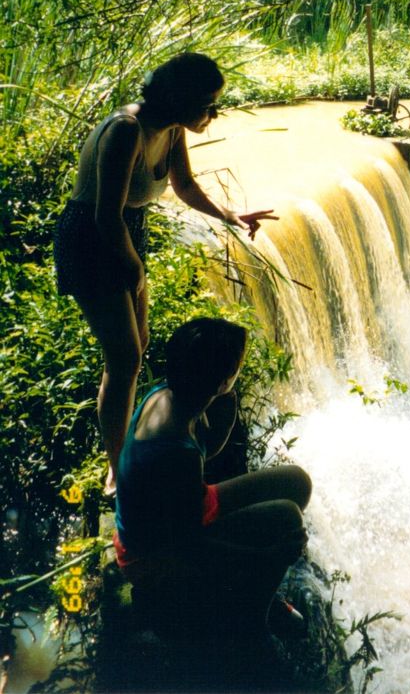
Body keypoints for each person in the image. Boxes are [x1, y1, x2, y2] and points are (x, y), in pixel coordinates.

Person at [53, 52, 276, 492]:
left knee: (138, 345)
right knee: (125, 358)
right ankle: (118, 469)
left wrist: (230, 214)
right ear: (179, 96)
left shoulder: (172, 128)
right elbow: (103, 216)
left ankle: (123, 447)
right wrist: (133, 268)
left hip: (125, 230)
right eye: (207, 104)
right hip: (90, 235)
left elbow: (185, 186)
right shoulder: (125, 131)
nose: (212, 114)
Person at [113, 317, 311, 674]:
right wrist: (266, 556)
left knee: (297, 482)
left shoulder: (169, 394)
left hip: (181, 514)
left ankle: (248, 590)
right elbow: (190, 546)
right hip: (153, 556)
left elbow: (211, 449)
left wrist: (226, 403)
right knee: (287, 518)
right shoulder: (176, 451)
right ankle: (252, 621)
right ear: (220, 380)